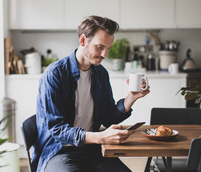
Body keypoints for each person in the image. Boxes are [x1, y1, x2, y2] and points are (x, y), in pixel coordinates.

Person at [32, 15, 150, 172]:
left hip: (92, 150)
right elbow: (57, 129)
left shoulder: (100, 74)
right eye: (100, 47)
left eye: (108, 48)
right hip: (59, 151)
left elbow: (108, 118)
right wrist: (100, 137)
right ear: (83, 41)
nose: (104, 54)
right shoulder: (55, 74)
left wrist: (132, 97)